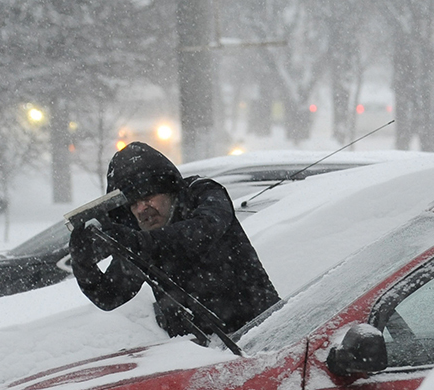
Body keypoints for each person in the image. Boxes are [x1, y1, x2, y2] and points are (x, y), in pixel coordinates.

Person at [68, 142, 280, 340]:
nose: (142, 209)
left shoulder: (203, 192)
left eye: (147, 197)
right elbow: (109, 296)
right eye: (133, 204)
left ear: (168, 190)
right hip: (202, 358)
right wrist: (84, 263)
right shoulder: (143, 238)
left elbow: (204, 230)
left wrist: (138, 242)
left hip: (264, 336)